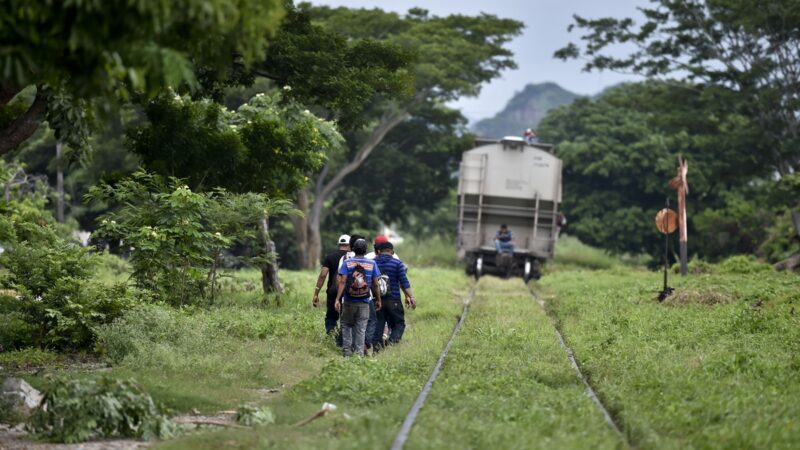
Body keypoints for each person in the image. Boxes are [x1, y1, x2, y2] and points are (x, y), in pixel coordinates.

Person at [335, 239, 382, 357]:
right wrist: (378, 300)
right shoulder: (372, 264)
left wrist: (337, 299)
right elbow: (376, 284)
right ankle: (359, 355)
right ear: (366, 250)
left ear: (353, 249)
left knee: (346, 325)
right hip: (365, 302)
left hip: (349, 301)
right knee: (361, 328)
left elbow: (343, 282)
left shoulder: (347, 262)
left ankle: (346, 353)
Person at [371, 241, 415, 350]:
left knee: (378, 326)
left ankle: (377, 350)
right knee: (398, 324)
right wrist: (411, 297)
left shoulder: (372, 263)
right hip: (393, 299)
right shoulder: (397, 263)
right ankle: (391, 343)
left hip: (377, 300)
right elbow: (404, 282)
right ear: (392, 251)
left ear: (379, 251)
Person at [312, 234, 350, 346]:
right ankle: (343, 341)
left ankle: (333, 338)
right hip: (347, 292)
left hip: (333, 292)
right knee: (346, 318)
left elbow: (323, 275)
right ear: (349, 245)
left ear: (339, 245)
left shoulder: (330, 257)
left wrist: (316, 293)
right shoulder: (351, 258)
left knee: (331, 317)